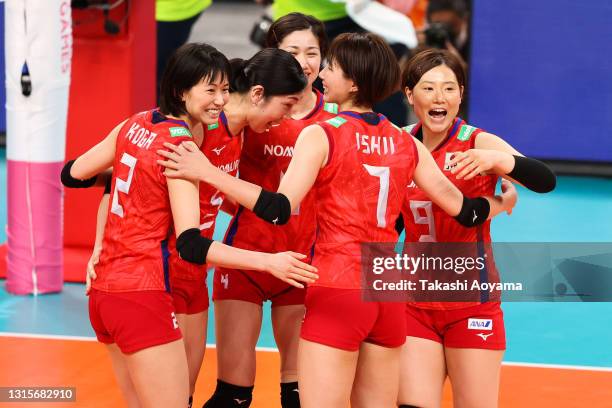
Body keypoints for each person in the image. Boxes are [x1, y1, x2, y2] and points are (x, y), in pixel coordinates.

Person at [157, 33, 516, 407]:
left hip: (338, 285)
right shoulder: (405, 140)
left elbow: (279, 208)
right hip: (386, 292)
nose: (321, 74)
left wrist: (210, 174)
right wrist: (499, 201)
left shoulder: (322, 133)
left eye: (331, 67)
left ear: (354, 82)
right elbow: (466, 210)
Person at [60, 43, 317, 408]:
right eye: (287, 105)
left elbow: (98, 175)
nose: (288, 116)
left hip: (188, 279)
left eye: (224, 90)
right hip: (158, 274)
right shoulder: (191, 134)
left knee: (184, 396)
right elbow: (127, 183)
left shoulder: (233, 132)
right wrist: (99, 245)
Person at [397, 48, 556, 408]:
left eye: (449, 88)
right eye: (428, 88)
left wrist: (500, 160)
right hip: (413, 302)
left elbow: (544, 180)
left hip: (471, 303)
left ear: (461, 94)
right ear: (409, 94)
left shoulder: (476, 141)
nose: (440, 98)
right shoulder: (400, 142)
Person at [204, 13, 334, 408]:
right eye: (292, 51)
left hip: (301, 264)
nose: (304, 61)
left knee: (297, 394)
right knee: (233, 395)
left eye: (312, 52)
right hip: (246, 256)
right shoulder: (243, 114)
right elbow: (217, 173)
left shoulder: (335, 119)